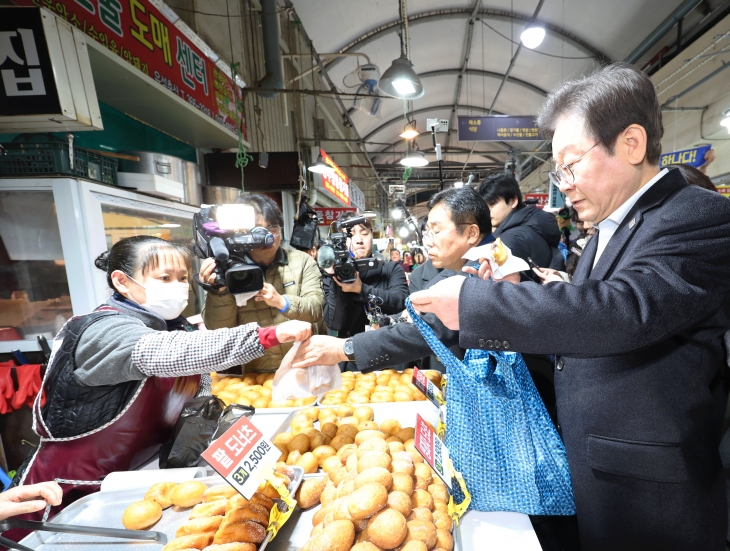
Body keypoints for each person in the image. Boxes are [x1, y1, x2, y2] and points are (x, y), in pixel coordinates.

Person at [410, 62, 730, 550]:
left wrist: (482, 305)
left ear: (632, 144)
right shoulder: (611, 227)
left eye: (572, 164)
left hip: (651, 495)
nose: (564, 184)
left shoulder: (698, 215)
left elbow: (624, 310)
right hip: (599, 470)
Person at [11, 235, 312, 524]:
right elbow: (165, 353)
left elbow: (196, 399)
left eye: (183, 278)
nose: (179, 287)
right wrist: (266, 336)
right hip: (70, 494)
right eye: (164, 278)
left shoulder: (174, 328)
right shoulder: (102, 331)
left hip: (142, 481)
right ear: (121, 281)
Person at [200, 193, 325, 373]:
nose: (267, 236)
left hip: (304, 364)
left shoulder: (302, 261)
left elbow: (317, 310)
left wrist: (282, 302)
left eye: (272, 228)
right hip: (256, 372)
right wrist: (219, 291)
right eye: (257, 229)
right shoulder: (226, 269)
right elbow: (219, 329)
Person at [322, 212, 408, 370]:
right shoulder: (333, 274)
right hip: (350, 360)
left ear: (371, 237)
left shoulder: (390, 268)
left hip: (389, 356)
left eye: (364, 233)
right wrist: (334, 279)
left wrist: (362, 290)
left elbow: (402, 301)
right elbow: (335, 323)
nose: (359, 240)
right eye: (351, 235)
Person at [477, 173, 565, 276]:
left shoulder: (510, 239)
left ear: (513, 201)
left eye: (492, 204)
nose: (487, 212)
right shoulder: (534, 226)